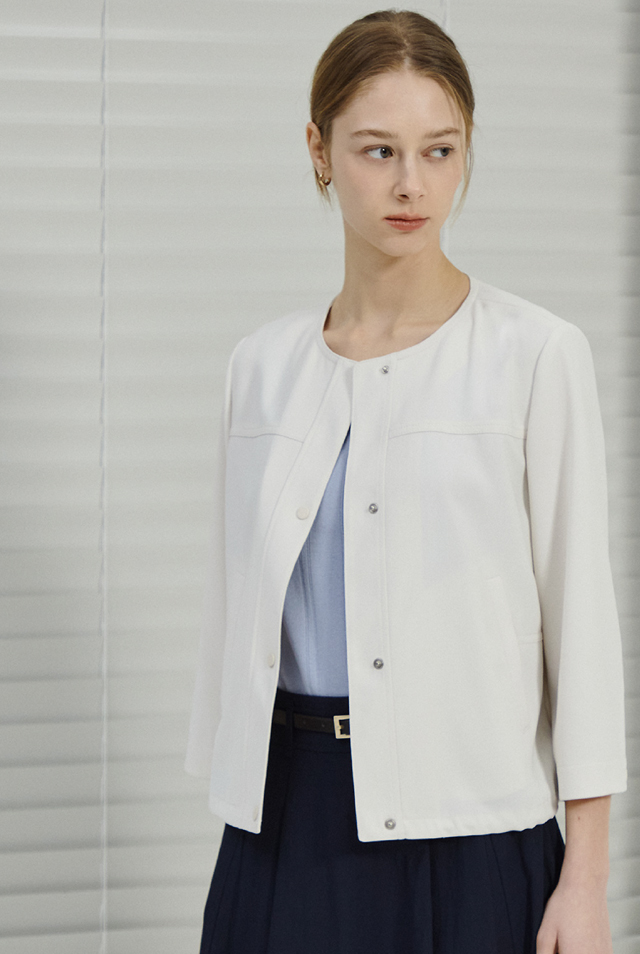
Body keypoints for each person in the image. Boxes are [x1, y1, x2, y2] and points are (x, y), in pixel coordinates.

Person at [186, 10, 628, 954]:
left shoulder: (535, 355)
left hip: (473, 832)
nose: (411, 185)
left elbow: (583, 629)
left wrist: (585, 882)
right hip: (285, 824)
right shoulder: (258, 369)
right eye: (378, 150)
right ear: (319, 151)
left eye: (439, 150)